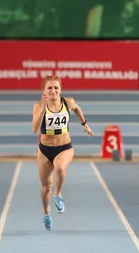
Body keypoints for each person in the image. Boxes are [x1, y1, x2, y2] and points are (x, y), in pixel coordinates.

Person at [31, 75, 93, 230]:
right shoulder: (39, 106)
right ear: (44, 91)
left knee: (60, 168)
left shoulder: (68, 102)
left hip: (64, 147)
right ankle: (46, 213)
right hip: (45, 150)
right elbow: (34, 129)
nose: (53, 91)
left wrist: (84, 124)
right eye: (49, 88)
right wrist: (43, 111)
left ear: (61, 89)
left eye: (56, 87)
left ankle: (58, 195)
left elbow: (77, 109)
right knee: (46, 187)